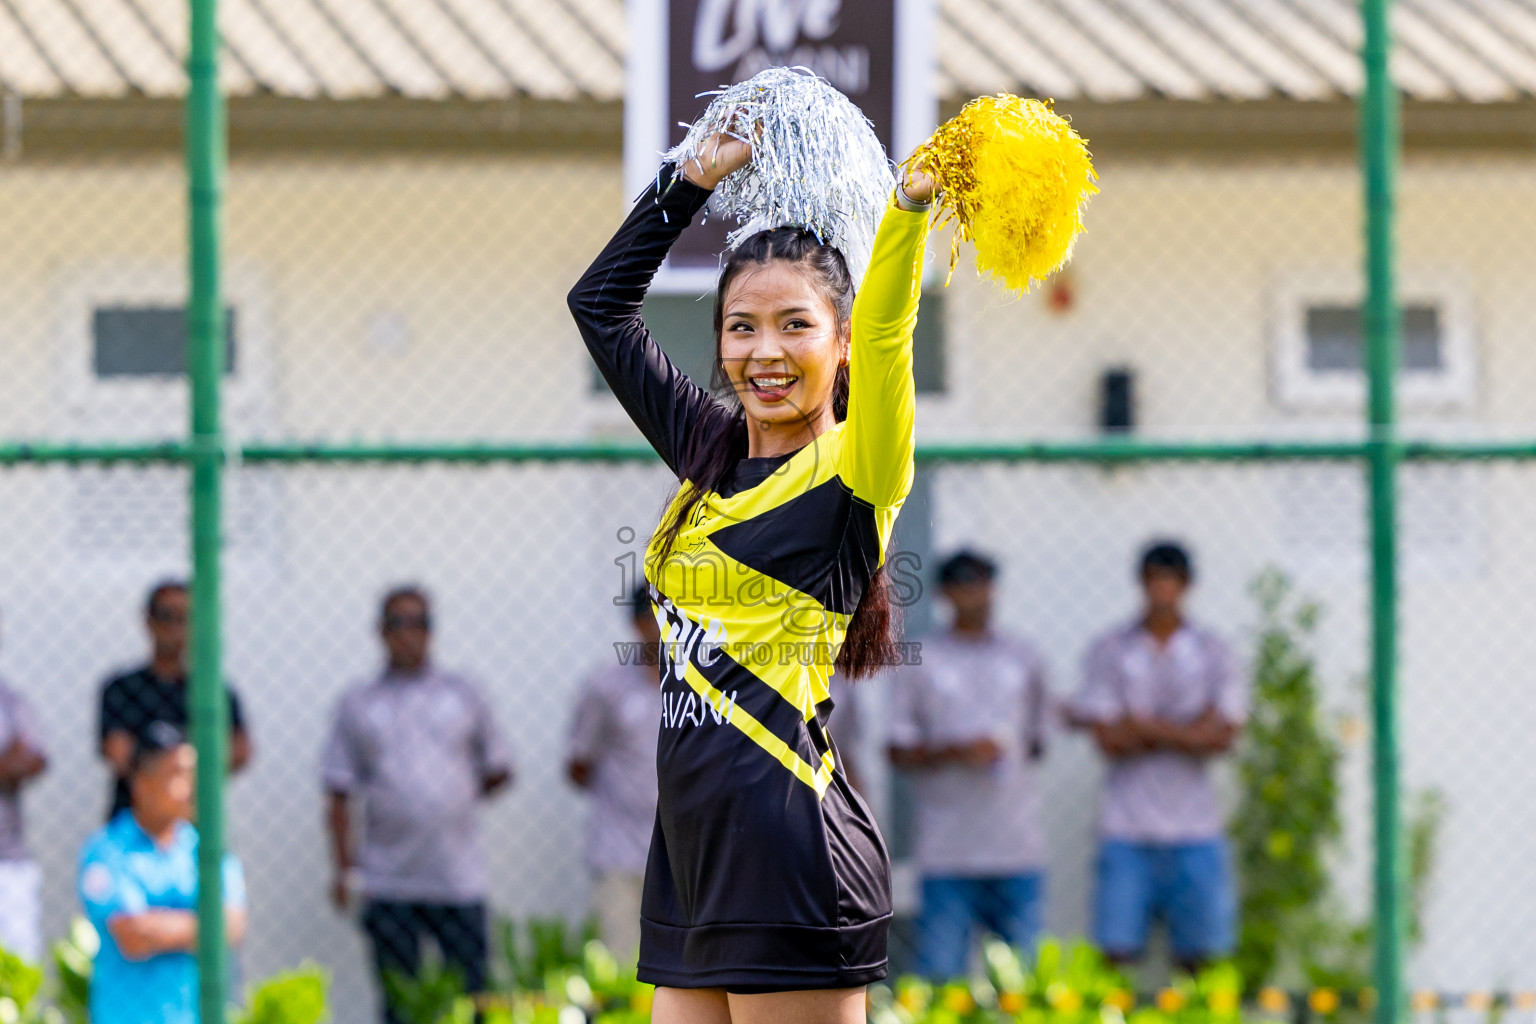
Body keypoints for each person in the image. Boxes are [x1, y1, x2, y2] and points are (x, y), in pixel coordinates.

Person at [568, 135, 935, 1023]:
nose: (765, 351)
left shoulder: (856, 473)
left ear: (838, 343)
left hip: (790, 854)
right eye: (742, 325)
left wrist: (908, 214)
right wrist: (690, 179)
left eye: (796, 324)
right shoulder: (707, 449)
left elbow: (889, 334)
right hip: (689, 858)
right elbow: (600, 308)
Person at [322, 586, 514, 1024]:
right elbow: (338, 789)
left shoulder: (465, 694)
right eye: (399, 623)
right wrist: (343, 869)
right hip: (389, 879)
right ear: (380, 632)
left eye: (421, 623)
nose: (410, 634)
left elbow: (499, 766)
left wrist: (451, 798)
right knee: (401, 1004)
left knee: (472, 999)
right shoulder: (359, 703)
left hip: (457, 877)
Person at [1069, 541, 1245, 973]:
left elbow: (1223, 735)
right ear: (1143, 583)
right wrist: (1189, 729)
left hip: (1195, 828)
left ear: (1186, 585)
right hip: (1127, 827)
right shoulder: (1111, 649)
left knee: (1200, 961)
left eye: (1172, 580)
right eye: (1155, 580)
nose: (1162, 590)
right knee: (1116, 956)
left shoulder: (1213, 651)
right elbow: (1108, 738)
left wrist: (1145, 726)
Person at [888, 549, 1051, 978]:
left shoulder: (1023, 656)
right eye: (963, 584)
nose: (973, 595)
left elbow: (1038, 742)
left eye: (981, 583)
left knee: (1021, 982)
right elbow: (897, 750)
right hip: (948, 849)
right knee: (942, 980)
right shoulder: (922, 658)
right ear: (945, 593)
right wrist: (958, 752)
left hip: (1015, 846)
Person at [78, 721, 247, 1024]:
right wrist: (206, 925)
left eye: (194, 776)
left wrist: (159, 924)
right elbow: (134, 937)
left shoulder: (208, 850)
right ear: (141, 784)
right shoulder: (106, 851)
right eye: (178, 775)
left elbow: (233, 927)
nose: (191, 788)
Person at [98, 580, 252, 820]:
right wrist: (189, 767)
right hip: (134, 820)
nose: (175, 626)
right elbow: (118, 754)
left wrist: (159, 767)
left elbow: (238, 752)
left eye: (185, 617)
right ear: (148, 621)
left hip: (198, 822)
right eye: (166, 615)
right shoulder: (121, 688)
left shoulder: (215, 692)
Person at [567, 584, 664, 960]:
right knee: (623, 968)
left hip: (688, 859)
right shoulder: (605, 687)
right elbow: (578, 763)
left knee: (688, 977)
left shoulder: (705, 685)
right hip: (620, 853)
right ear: (638, 623)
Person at [0, 612, 46, 961]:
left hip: (7, 862)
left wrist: (15, 763)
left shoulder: (10, 702)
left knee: (17, 972)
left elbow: (32, 759)